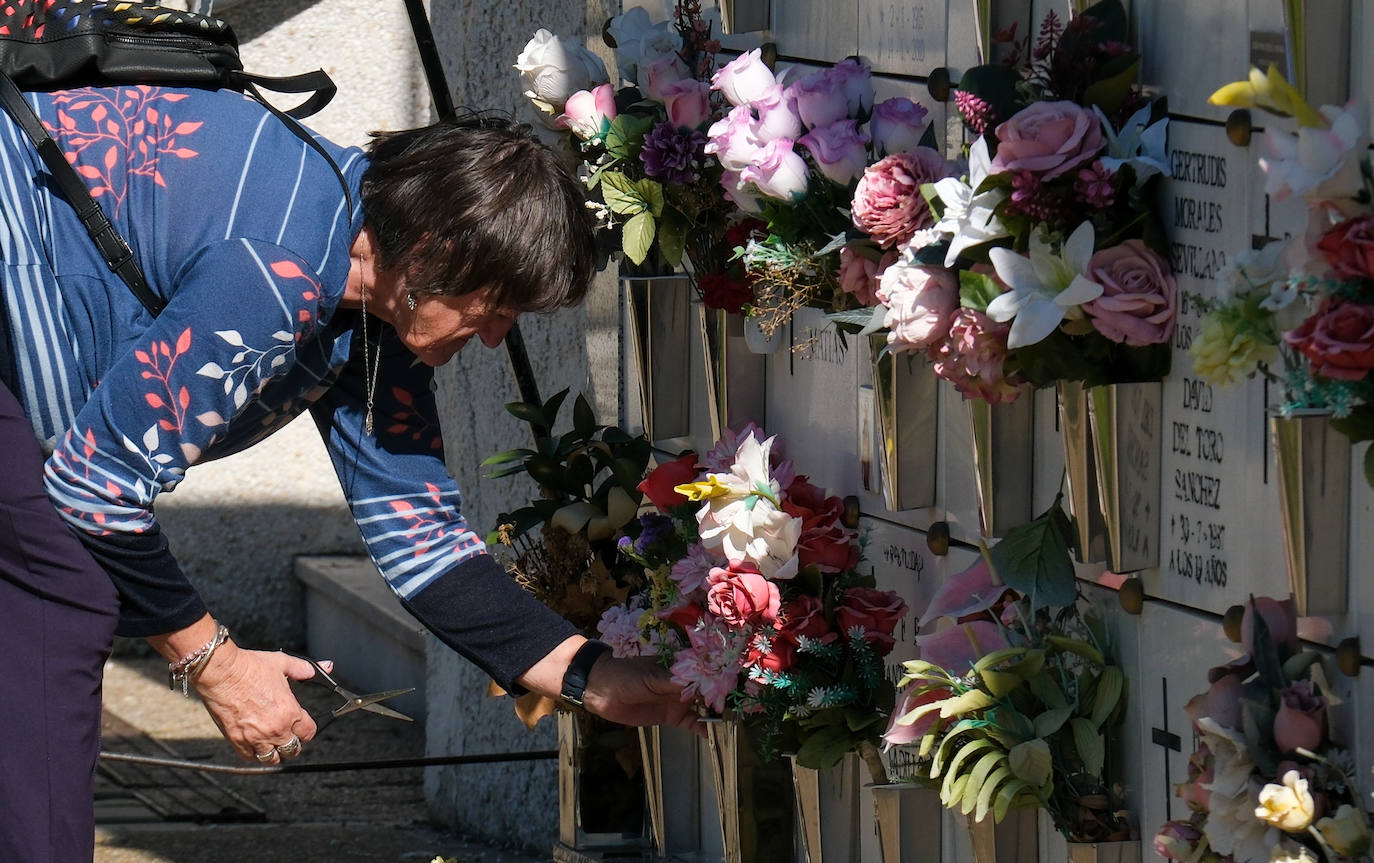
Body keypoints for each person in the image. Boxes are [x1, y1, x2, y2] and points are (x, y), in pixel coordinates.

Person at [0, 82, 696, 863]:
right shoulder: (283, 267)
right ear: (435, 254)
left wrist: (593, 677)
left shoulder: (373, 308)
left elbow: (422, 543)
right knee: (63, 594)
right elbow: (94, 491)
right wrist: (218, 666)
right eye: (496, 307)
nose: (496, 339)